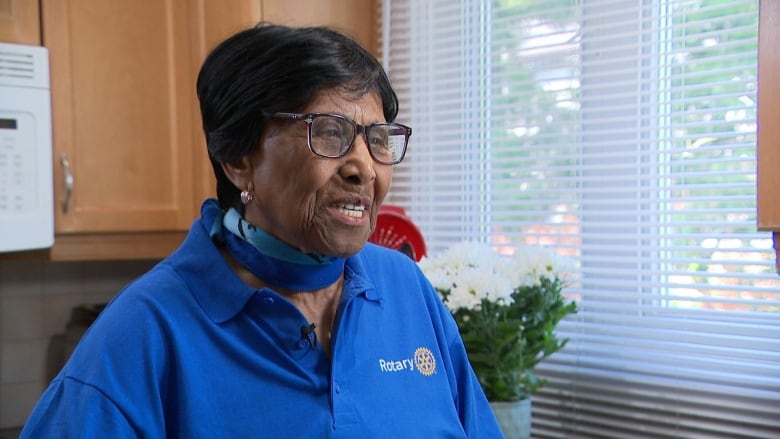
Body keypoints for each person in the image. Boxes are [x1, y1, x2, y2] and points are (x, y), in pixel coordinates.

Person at [20, 23, 503, 438]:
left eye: (377, 139)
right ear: (237, 157)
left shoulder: (405, 289)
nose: (364, 168)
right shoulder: (145, 333)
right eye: (329, 132)